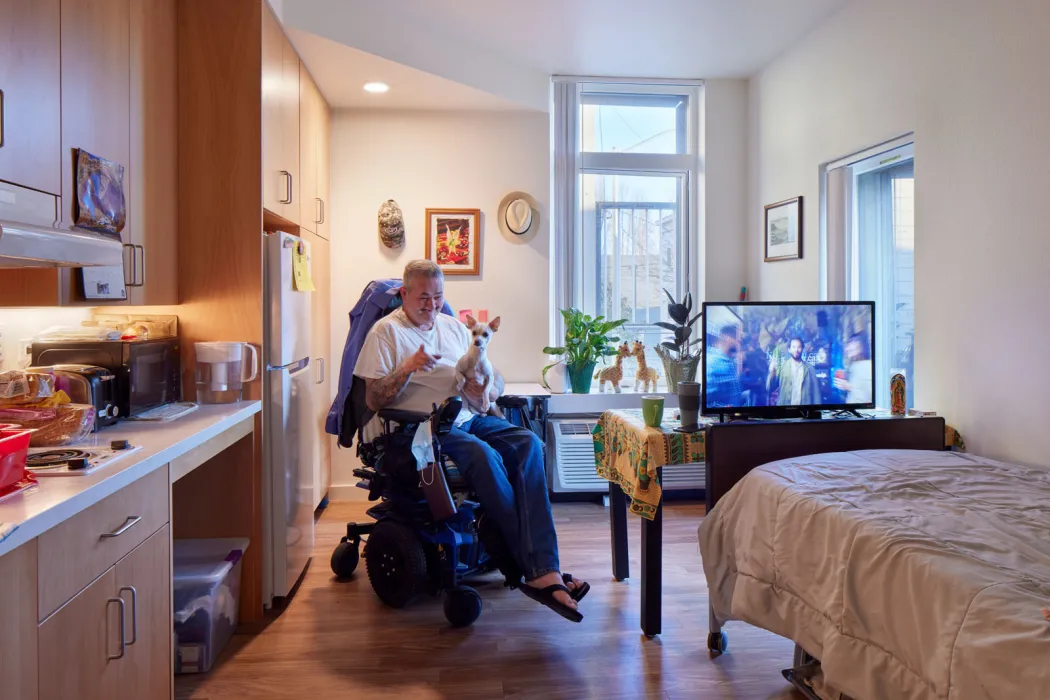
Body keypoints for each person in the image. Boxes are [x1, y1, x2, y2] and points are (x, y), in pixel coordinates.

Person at [353, 260, 588, 621]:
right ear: (404, 294)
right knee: (483, 456)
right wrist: (407, 367)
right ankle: (540, 570)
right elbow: (373, 400)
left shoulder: (454, 328)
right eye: (423, 297)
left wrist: (487, 388)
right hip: (419, 429)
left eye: (438, 296)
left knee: (530, 445)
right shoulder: (385, 334)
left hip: (467, 417)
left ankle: (541, 565)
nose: (432, 305)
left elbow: (497, 377)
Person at [767, 337, 822, 406]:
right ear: (789, 349)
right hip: (785, 411)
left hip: (804, 412)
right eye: (793, 347)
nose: (796, 350)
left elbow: (816, 393)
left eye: (799, 347)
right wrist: (772, 373)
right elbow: (771, 388)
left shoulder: (810, 369)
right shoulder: (782, 367)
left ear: (802, 349)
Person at [705, 324, 743, 408]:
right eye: (738, 341)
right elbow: (708, 400)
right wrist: (723, 408)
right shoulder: (714, 363)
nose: (740, 344)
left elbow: (732, 395)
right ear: (729, 340)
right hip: (722, 418)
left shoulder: (728, 361)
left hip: (732, 419)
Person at [833, 333, 873, 404]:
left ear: (861, 346)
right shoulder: (854, 365)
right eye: (847, 344)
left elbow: (869, 397)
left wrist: (848, 387)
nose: (847, 348)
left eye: (851, 343)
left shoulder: (867, 366)